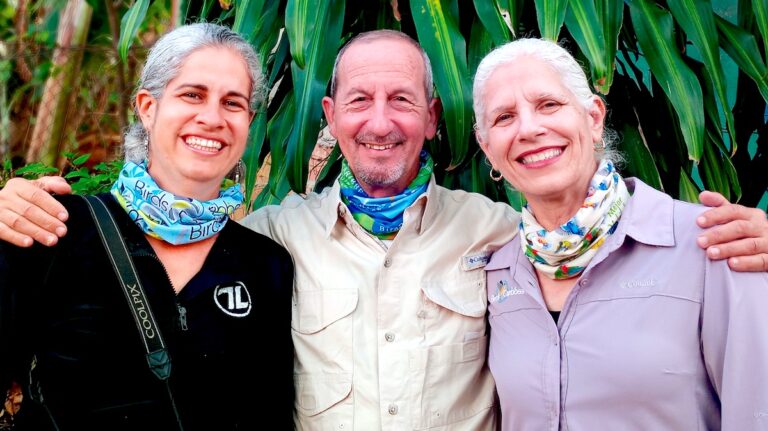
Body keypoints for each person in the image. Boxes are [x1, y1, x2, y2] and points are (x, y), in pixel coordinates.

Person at [2, 30, 768, 430]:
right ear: (328, 117)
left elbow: (593, 240)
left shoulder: (502, 235)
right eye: (358, 101)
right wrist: (11, 205)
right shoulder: (269, 240)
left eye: (402, 99)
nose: (379, 121)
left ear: (433, 118)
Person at [0, 23, 294, 430]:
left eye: (233, 103)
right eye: (192, 95)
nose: (212, 117)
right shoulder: (53, 229)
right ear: (147, 107)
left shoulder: (266, 264)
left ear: (249, 121)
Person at [473, 38, 768, 430]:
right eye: (504, 117)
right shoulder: (497, 271)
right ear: (487, 148)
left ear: (594, 118)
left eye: (549, 104)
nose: (528, 128)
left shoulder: (712, 243)